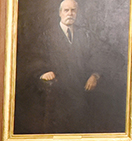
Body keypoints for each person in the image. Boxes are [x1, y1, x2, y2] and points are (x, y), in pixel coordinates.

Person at [20, 0, 105, 133]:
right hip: (58, 97)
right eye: (66, 10)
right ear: (60, 13)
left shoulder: (85, 35)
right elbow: (34, 57)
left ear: (77, 13)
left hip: (82, 94)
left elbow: (98, 54)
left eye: (73, 10)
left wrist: (95, 75)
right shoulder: (47, 36)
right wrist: (43, 72)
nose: (70, 13)